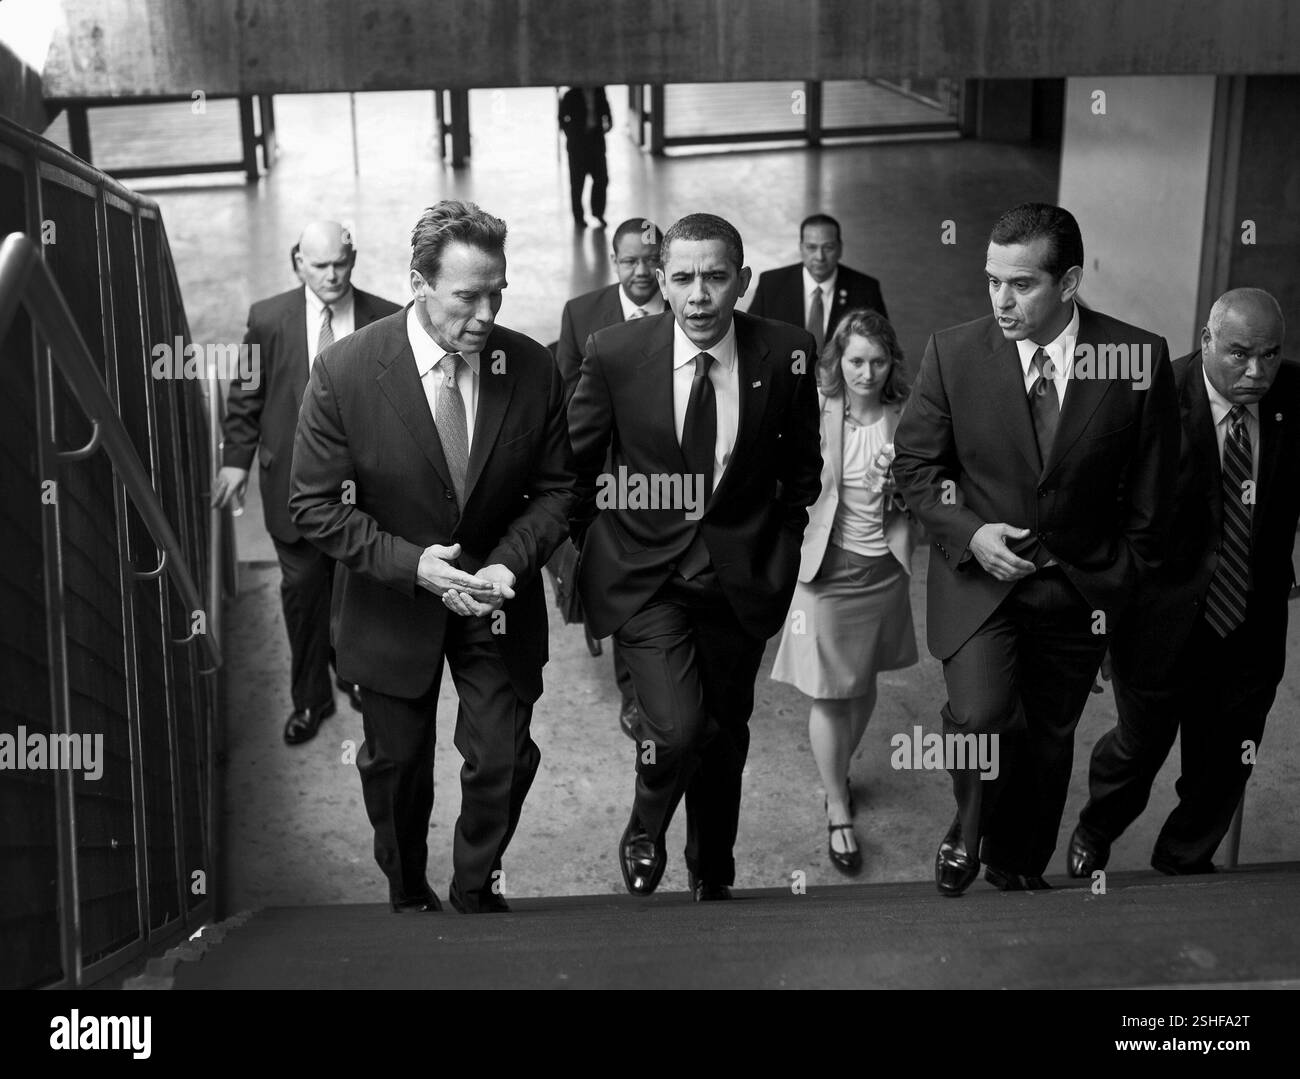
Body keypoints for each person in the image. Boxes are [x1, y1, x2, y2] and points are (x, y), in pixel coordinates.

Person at [288, 201, 576, 914]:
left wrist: (508, 563)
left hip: (494, 601)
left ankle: (475, 886)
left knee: (505, 759)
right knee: (396, 771)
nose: (486, 312)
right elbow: (315, 506)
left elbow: (559, 489)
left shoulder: (531, 366)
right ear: (418, 282)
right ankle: (408, 888)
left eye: (497, 292)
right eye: (467, 295)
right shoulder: (344, 372)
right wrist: (413, 564)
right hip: (392, 604)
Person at [892, 202, 1179, 897]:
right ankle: (968, 826)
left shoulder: (1137, 359)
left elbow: (1152, 496)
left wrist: (1119, 589)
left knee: (1048, 738)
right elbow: (916, 469)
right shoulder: (952, 352)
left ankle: (1019, 860)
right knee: (981, 716)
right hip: (979, 580)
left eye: (1020, 284)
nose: (1000, 299)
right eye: (992, 280)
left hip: (1079, 589)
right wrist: (970, 533)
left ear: (1069, 281)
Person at [568, 212, 822, 901]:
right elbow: (575, 468)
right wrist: (579, 556)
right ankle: (645, 824)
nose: (700, 294)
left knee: (725, 735)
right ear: (661, 281)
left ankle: (713, 870)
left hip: (738, 582)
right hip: (646, 578)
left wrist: (782, 548)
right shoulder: (617, 353)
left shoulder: (789, 351)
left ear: (741, 282)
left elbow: (802, 472)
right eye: (683, 278)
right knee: (679, 729)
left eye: (715, 277)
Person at [1070, 288, 1299, 877]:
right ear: (1206, 342)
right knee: (1137, 750)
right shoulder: (1152, 399)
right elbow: (1106, 517)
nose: (1257, 371)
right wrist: (1099, 618)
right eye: (1240, 354)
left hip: (1250, 622)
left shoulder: (1294, 396)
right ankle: (1096, 829)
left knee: (1224, 763)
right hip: (1157, 621)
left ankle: (1181, 862)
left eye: (1270, 355)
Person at [213, 221, 400, 746]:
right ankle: (310, 698)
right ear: (298, 263)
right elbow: (247, 393)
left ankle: (354, 674)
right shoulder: (268, 318)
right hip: (291, 490)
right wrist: (235, 460)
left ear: (353, 258)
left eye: (341, 262)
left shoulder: (385, 317)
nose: (332, 275)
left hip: (363, 493)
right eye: (320, 265)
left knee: (360, 592)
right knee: (302, 595)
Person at [770, 309, 918, 873]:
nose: (867, 372)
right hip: (827, 573)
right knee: (830, 692)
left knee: (862, 683)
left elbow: (933, 491)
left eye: (878, 361)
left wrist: (903, 488)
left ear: (890, 364)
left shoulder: (906, 418)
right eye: (856, 360)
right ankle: (837, 803)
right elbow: (782, 478)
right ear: (839, 361)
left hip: (884, 571)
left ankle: (840, 770)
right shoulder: (814, 409)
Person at [555, 218, 664, 739]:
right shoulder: (583, 315)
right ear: (614, 263)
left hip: (677, 475)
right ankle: (635, 697)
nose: (641, 271)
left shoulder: (688, 306)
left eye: (650, 259)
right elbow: (569, 403)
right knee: (626, 584)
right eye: (629, 261)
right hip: (610, 479)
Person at [747, 213, 888, 352]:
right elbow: (750, 338)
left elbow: (882, 345)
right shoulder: (771, 284)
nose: (820, 257)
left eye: (828, 247)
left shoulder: (866, 289)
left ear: (840, 249)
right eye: (811, 247)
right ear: (801, 248)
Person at [558, 85, 612, 229]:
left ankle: (598, 213)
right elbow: (562, 118)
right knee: (577, 183)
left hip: (596, 142)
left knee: (601, 179)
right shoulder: (571, 94)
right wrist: (571, 134)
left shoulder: (599, 90)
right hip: (577, 145)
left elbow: (606, 108)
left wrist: (609, 122)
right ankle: (578, 217)